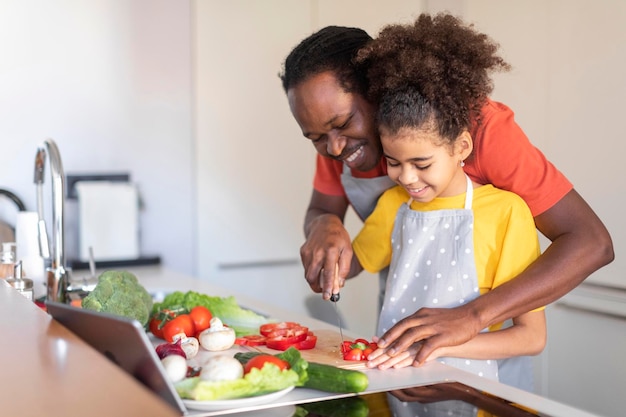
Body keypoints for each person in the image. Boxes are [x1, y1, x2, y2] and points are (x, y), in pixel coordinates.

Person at [279, 12, 613, 383]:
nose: (334, 147)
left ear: (377, 91)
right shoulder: (336, 142)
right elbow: (324, 207)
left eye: (342, 124)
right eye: (315, 138)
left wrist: (473, 317)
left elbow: (591, 242)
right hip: (405, 338)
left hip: (481, 348)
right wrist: (325, 225)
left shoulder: (477, 129)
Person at [342, 14, 546, 386]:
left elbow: (532, 337)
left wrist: (436, 346)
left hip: (485, 393)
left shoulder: (506, 214)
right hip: (402, 387)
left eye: (422, 163)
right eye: (393, 162)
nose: (406, 178)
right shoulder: (394, 205)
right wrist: (325, 229)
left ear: (461, 147)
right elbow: (351, 262)